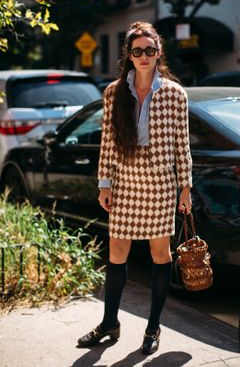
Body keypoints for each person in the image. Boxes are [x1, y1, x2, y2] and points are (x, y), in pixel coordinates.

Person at [77, 21, 192, 354]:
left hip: (159, 184)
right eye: (137, 50)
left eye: (150, 50)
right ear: (129, 54)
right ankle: (110, 322)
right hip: (125, 181)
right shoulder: (114, 92)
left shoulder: (174, 94)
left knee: (160, 255)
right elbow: (108, 142)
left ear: (159, 53)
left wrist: (185, 187)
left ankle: (153, 328)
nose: (144, 56)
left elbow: (182, 144)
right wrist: (104, 183)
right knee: (116, 254)